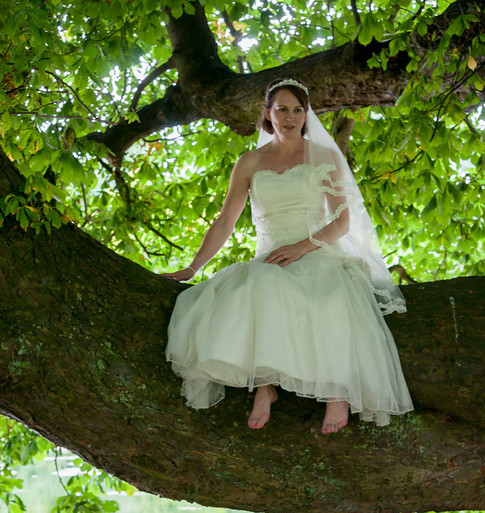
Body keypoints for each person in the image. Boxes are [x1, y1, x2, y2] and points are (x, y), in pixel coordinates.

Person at [164, 79, 413, 433]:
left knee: (331, 291)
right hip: (271, 256)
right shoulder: (249, 162)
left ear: (306, 114)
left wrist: (304, 246)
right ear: (268, 113)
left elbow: (342, 221)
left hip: (316, 249)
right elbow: (225, 222)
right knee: (258, 285)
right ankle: (264, 389)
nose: (290, 117)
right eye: (282, 109)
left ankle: (337, 393)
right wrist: (192, 267)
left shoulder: (324, 156)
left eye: (298, 110)